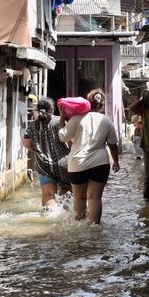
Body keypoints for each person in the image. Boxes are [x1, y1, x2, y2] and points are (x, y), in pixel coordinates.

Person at [58, 89, 120, 224]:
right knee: (95, 198)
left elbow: (63, 137)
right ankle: (94, 230)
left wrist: (62, 117)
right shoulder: (106, 120)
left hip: (77, 163)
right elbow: (113, 144)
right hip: (100, 163)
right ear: (102, 105)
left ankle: (80, 228)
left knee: (79, 198)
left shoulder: (76, 119)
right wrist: (116, 161)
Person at [22, 97, 71, 213]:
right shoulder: (60, 121)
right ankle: (66, 216)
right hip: (63, 163)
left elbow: (26, 144)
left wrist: (39, 151)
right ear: (53, 109)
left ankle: (49, 213)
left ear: (38, 110)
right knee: (66, 191)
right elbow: (71, 140)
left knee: (48, 195)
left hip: (43, 165)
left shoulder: (32, 126)